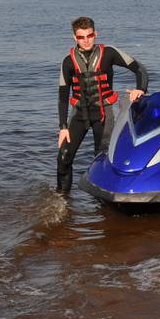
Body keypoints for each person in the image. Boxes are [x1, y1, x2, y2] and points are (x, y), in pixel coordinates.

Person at [56, 17, 148, 192]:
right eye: (81, 37)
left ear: (95, 34)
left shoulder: (109, 53)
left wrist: (140, 89)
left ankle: (102, 202)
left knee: (102, 160)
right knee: (63, 157)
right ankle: (62, 200)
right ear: (75, 37)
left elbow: (139, 69)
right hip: (79, 115)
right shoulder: (68, 61)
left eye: (89, 35)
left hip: (104, 115)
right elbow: (62, 96)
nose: (86, 40)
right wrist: (63, 127)